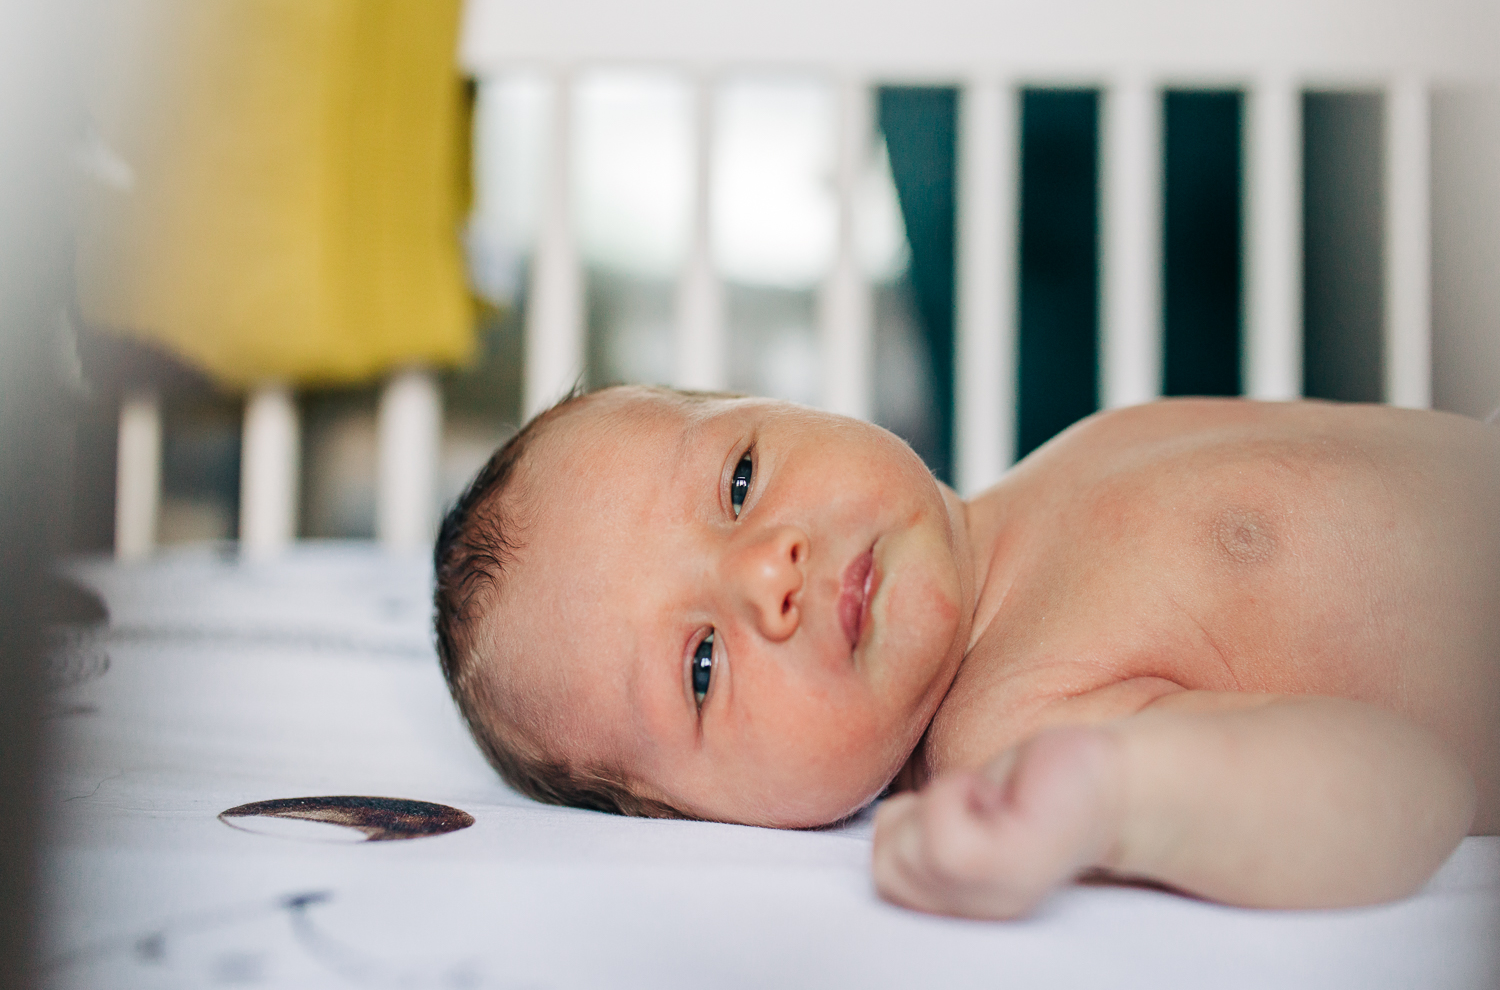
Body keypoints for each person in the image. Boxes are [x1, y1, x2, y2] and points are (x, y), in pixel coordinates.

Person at [433, 385, 1499, 919]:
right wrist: (1121, 798)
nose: (768, 571)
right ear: (695, 817)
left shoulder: (1061, 464)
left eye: (741, 481)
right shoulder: (1014, 720)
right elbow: (1408, 791)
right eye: (701, 666)